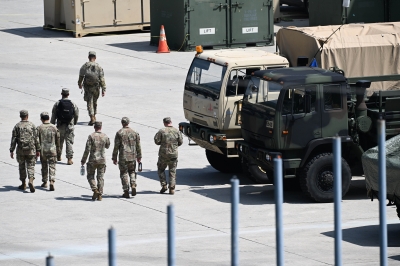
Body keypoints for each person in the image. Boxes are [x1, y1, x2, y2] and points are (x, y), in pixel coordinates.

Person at [9, 110, 41, 193]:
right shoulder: (32, 125)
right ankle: (31, 180)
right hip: (31, 150)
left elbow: (14, 139)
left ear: (20, 116)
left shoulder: (17, 126)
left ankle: (23, 183)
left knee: (22, 166)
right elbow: (36, 139)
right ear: (27, 116)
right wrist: (38, 149)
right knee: (31, 166)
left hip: (21, 150)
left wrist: (11, 150)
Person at [112, 117, 142, 198]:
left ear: (122, 123)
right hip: (132, 156)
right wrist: (139, 156)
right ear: (128, 123)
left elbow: (116, 146)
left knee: (124, 173)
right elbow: (138, 145)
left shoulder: (119, 133)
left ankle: (126, 191)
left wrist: (114, 157)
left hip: (123, 157)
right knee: (132, 171)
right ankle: (133, 184)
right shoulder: (135, 132)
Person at [81, 121, 110, 201]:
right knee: (100, 177)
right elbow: (108, 146)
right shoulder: (105, 136)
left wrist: (83, 160)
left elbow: (87, 149)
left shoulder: (91, 136)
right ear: (101, 127)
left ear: (94, 127)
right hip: (102, 160)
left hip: (92, 160)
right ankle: (100, 195)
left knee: (90, 176)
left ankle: (95, 190)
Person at [154, 117, 183, 195]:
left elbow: (156, 141)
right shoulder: (177, 131)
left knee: (160, 169)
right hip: (173, 155)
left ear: (164, 123)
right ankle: (172, 189)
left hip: (163, 154)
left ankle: (164, 185)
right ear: (171, 122)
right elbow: (180, 142)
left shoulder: (162, 131)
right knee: (172, 171)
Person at [50, 88, 79, 165]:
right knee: (69, 142)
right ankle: (69, 159)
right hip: (69, 126)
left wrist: (52, 125)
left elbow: (54, 115)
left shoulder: (57, 103)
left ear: (61, 94)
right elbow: (76, 114)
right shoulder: (72, 103)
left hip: (60, 125)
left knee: (59, 142)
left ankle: (58, 156)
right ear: (68, 94)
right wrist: (74, 122)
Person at [78, 51, 106, 125]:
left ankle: (92, 117)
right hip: (96, 87)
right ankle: (94, 115)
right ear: (95, 58)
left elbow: (81, 76)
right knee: (94, 101)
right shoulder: (99, 67)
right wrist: (103, 89)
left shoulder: (85, 65)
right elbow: (102, 78)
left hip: (88, 87)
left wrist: (79, 84)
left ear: (88, 57)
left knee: (89, 102)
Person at [37, 111, 60, 191]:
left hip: (43, 150)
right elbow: (58, 139)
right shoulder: (54, 127)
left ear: (41, 119)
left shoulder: (39, 128)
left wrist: (37, 150)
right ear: (49, 118)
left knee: (44, 166)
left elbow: (36, 140)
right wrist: (58, 149)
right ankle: (52, 181)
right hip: (52, 150)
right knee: (52, 166)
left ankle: (45, 182)